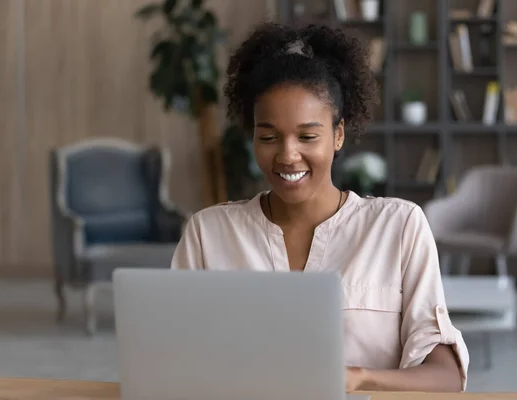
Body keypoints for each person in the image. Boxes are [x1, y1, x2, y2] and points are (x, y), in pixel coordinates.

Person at [171, 22, 469, 392]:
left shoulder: (398, 226)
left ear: (338, 134)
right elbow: (172, 362)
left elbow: (446, 377)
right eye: (268, 137)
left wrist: (358, 378)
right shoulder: (208, 233)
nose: (287, 155)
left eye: (308, 136)